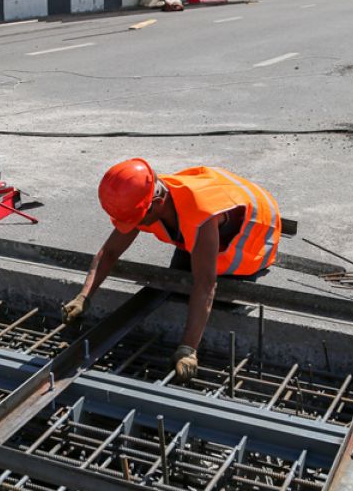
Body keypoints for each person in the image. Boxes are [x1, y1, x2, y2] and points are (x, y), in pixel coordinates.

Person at [62, 158, 281, 383]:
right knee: (180, 282)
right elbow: (109, 252)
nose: (135, 225)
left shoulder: (200, 215)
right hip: (223, 195)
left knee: (216, 300)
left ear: (157, 202)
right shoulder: (144, 196)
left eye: (137, 219)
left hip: (256, 235)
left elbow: (206, 284)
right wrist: (83, 296)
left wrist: (188, 349)